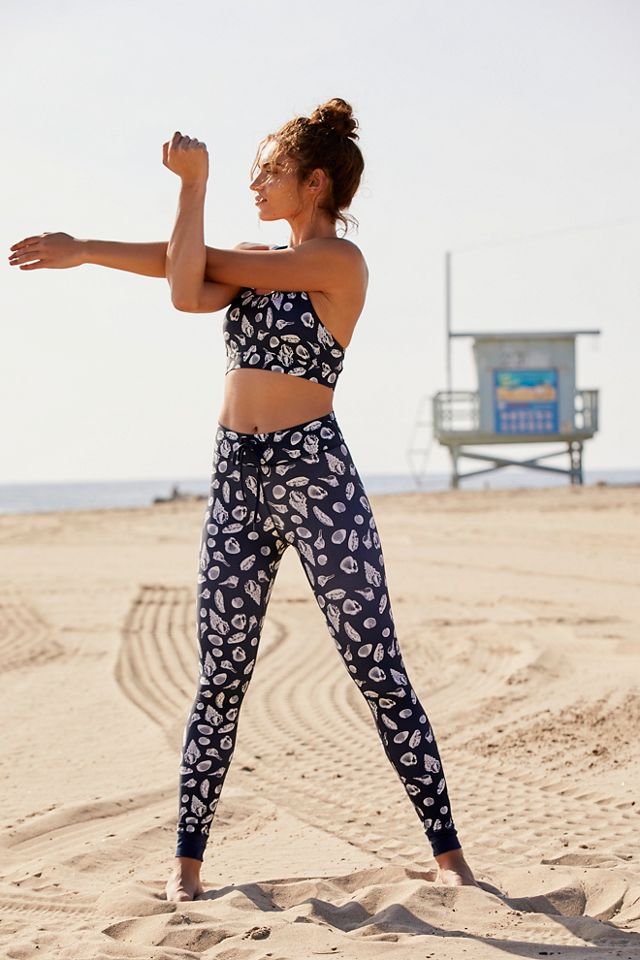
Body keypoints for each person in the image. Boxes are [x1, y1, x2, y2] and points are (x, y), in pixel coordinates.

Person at [8, 97, 478, 900]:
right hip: (237, 476)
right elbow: (186, 284)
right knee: (220, 675)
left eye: (271, 171)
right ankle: (186, 866)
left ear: (316, 182)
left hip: (314, 474)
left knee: (376, 667)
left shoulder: (339, 263)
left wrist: (192, 189)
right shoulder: (255, 257)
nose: (255, 184)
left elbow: (197, 264)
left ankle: (450, 856)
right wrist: (85, 249)